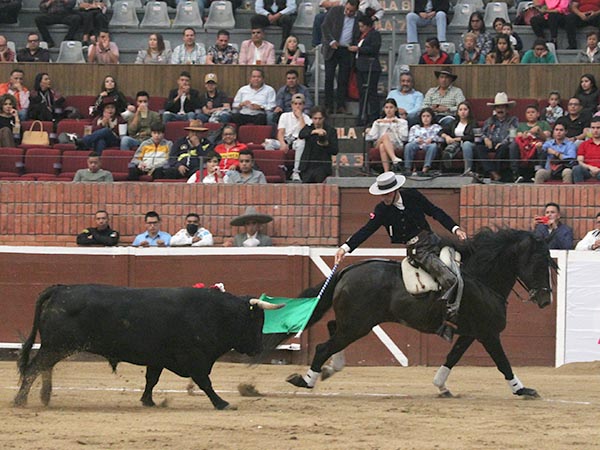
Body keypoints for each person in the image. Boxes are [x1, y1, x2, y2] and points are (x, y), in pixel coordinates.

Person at [335, 171, 467, 340]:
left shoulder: (412, 196)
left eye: (388, 193)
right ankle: (447, 323)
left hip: (434, 240)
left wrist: (455, 228)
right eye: (382, 194)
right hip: (418, 250)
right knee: (449, 279)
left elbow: (435, 211)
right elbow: (367, 230)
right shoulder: (382, 210)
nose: (385, 197)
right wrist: (345, 248)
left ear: (396, 190)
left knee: (463, 265)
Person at [321, 0, 361, 114]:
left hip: (347, 50)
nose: (348, 12)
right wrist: (331, 41)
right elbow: (325, 27)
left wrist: (355, 45)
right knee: (329, 78)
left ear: (356, 10)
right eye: (347, 9)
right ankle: (328, 105)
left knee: (343, 79)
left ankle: (340, 105)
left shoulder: (360, 17)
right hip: (332, 48)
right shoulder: (335, 10)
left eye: (351, 11)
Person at [474, 92, 519, 182]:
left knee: (503, 148)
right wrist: (486, 138)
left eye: (502, 107)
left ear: (507, 109)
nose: (500, 110)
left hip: (504, 145)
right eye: (498, 107)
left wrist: (502, 143)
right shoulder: (490, 120)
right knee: (478, 148)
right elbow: (481, 133)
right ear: (494, 109)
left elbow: (512, 135)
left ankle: (495, 173)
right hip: (490, 144)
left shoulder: (513, 120)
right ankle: (494, 173)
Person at [351, 15, 381, 126]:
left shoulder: (375, 35)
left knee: (372, 93)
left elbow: (374, 49)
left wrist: (359, 49)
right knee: (362, 93)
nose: (360, 28)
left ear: (368, 26)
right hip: (360, 67)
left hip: (370, 67)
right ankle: (362, 116)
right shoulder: (360, 36)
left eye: (362, 26)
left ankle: (374, 117)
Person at [298, 105, 339, 183]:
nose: (317, 121)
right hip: (307, 166)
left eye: (320, 118)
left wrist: (326, 144)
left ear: (324, 118)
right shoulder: (309, 128)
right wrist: (314, 132)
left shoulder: (331, 131)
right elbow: (301, 134)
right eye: (315, 118)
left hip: (322, 166)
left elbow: (335, 150)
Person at [277, 93, 312, 181]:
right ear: (292, 105)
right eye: (295, 104)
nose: (297, 106)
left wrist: (300, 117)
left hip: (297, 141)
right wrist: (282, 143)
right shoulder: (284, 116)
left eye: (300, 104)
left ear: (303, 105)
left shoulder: (307, 118)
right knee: (268, 144)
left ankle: (296, 172)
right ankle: (277, 171)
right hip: (285, 140)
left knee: (301, 143)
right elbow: (280, 132)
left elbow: (305, 132)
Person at [367, 99, 408, 172]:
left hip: (396, 144)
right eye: (386, 107)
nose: (389, 110)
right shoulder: (378, 122)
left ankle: (387, 172)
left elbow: (404, 138)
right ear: (384, 109)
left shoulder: (402, 122)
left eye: (391, 107)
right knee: (385, 136)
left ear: (395, 109)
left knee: (383, 146)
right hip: (378, 142)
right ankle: (394, 158)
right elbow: (372, 137)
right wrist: (376, 124)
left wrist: (397, 125)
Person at [514, 104, 552, 182]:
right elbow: (518, 137)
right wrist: (526, 135)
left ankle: (537, 173)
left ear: (538, 114)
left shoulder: (543, 124)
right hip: (524, 146)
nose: (530, 114)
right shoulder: (521, 125)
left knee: (540, 146)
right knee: (513, 146)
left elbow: (546, 137)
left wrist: (539, 131)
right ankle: (516, 174)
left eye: (533, 112)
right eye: (528, 112)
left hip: (538, 145)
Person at [439, 101, 476, 174]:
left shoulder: (473, 123)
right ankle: (447, 170)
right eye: (460, 110)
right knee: (450, 147)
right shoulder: (454, 123)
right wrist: (447, 137)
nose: (463, 112)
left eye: (465, 109)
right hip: (456, 143)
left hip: (469, 144)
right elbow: (441, 131)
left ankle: (467, 170)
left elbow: (471, 137)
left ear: (469, 111)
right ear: (458, 112)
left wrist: (457, 139)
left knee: (466, 144)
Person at [403, 107, 442, 174]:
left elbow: (442, 139)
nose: (425, 118)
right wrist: (416, 140)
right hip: (417, 144)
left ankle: (425, 168)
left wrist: (432, 139)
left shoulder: (436, 127)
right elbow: (410, 139)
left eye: (428, 116)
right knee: (408, 146)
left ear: (432, 117)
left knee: (433, 146)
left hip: (429, 145)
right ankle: (408, 168)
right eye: (423, 116)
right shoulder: (415, 127)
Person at [573, 116, 600, 182]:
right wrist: (591, 168)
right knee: (577, 169)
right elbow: (580, 161)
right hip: (588, 170)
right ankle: (579, 191)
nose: (595, 130)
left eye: (598, 128)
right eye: (593, 128)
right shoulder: (583, 144)